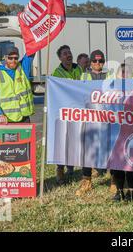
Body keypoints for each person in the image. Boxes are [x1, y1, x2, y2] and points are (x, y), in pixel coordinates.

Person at [76, 49, 110, 196]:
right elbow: (77, 94)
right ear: (90, 62)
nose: (98, 63)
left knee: (110, 149)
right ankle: (86, 181)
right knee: (87, 150)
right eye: (95, 61)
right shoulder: (83, 76)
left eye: (100, 61)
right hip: (89, 118)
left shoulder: (110, 75)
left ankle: (114, 181)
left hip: (106, 117)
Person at [52, 45, 82, 184]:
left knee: (76, 140)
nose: (68, 55)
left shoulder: (78, 68)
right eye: (65, 54)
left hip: (78, 110)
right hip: (64, 112)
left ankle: (71, 168)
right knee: (63, 142)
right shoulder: (57, 73)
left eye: (69, 53)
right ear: (60, 58)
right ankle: (60, 170)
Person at [110, 61, 133, 201]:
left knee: (131, 161)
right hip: (115, 131)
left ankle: (132, 190)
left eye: (127, 73)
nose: (125, 75)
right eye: (122, 73)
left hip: (131, 130)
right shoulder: (111, 90)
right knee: (116, 162)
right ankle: (119, 191)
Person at [0, 46, 34, 123]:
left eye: (16, 58)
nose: (13, 61)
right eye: (10, 58)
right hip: (7, 120)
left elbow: (32, 49)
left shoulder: (23, 68)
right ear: (5, 58)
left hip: (24, 118)